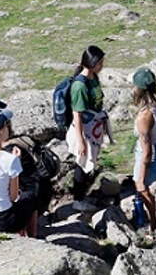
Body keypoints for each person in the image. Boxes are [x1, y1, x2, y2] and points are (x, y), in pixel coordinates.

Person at [65, 45, 108, 212]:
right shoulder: (80, 86)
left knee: (86, 162)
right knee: (81, 162)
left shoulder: (93, 77)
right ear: (92, 63)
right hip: (83, 130)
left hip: (92, 127)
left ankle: (83, 196)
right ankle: (78, 199)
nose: (102, 66)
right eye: (100, 63)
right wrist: (81, 141)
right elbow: (77, 114)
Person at [132, 67, 156, 232]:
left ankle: (155, 226)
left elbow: (147, 153)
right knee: (154, 192)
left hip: (150, 157)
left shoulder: (144, 117)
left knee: (145, 190)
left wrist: (140, 178)